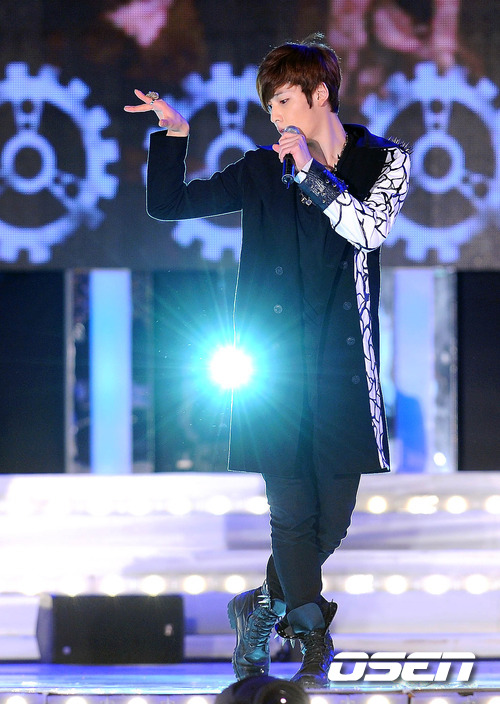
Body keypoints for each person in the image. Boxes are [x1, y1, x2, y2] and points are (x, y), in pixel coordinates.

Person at [125, 35, 410, 687]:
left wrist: (310, 170)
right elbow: (169, 204)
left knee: (330, 520)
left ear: (319, 94)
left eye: (283, 100)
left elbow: (367, 229)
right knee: (291, 515)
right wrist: (174, 136)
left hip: (343, 368)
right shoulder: (261, 169)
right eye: (270, 105)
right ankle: (311, 638)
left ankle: (259, 606)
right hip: (271, 370)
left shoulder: (386, 159)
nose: (276, 115)